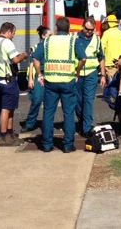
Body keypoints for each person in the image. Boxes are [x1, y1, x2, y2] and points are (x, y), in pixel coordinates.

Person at [32, 18, 78, 153]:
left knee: (48, 113)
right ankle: (68, 145)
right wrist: (77, 72)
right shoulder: (72, 41)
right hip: (68, 82)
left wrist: (40, 74)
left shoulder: (47, 41)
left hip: (51, 82)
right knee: (69, 114)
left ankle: (47, 145)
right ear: (69, 28)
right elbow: (83, 58)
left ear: (57, 28)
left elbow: (35, 58)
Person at [0, 22, 29, 146]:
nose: (13, 36)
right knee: (6, 109)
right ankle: (3, 137)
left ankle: (10, 134)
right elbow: (15, 59)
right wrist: (24, 55)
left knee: (9, 108)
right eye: (13, 34)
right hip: (8, 80)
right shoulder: (6, 42)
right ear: (9, 31)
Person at [75, 16, 106, 137]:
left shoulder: (97, 40)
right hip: (77, 75)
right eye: (87, 29)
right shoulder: (75, 38)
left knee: (88, 101)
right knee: (78, 102)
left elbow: (101, 57)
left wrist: (103, 75)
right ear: (83, 27)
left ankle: (87, 128)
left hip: (91, 74)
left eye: (91, 30)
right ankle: (82, 122)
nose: (89, 32)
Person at [21, 25, 52, 132]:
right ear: (43, 36)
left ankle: (47, 125)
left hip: (51, 75)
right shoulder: (36, 47)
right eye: (50, 35)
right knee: (37, 99)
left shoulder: (52, 46)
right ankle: (30, 124)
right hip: (40, 76)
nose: (52, 37)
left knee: (49, 102)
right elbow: (31, 64)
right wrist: (30, 79)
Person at [101, 14, 121, 81]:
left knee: (111, 86)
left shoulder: (106, 33)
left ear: (108, 24)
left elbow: (101, 48)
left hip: (110, 64)